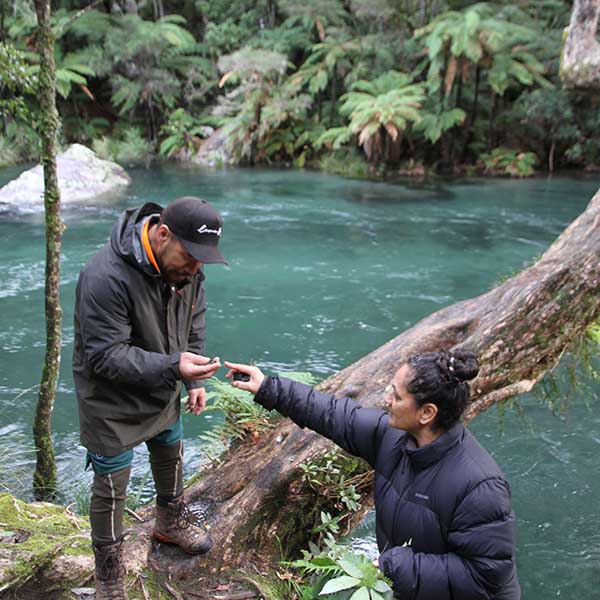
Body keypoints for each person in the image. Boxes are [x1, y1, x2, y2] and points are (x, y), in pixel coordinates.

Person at [224, 349, 521, 600]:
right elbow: (333, 414)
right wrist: (268, 387)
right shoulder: (394, 439)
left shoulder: (480, 486)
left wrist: (397, 565)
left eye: (397, 395)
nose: (387, 399)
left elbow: (484, 577)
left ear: (427, 413)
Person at [73, 196, 226, 600]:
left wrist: (193, 380)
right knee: (110, 488)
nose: (196, 268)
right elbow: (104, 356)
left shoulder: (186, 269)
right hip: (111, 401)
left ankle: (169, 523)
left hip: (164, 382)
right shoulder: (104, 276)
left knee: (169, 450)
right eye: (191, 256)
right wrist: (176, 367)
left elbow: (194, 317)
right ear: (161, 234)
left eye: (203, 260)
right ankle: (109, 581)